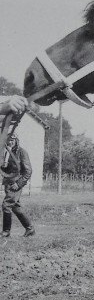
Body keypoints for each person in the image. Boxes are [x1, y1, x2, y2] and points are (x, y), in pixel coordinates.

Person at [0, 95, 35, 237]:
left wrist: (18, 184)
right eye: (9, 140)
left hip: (15, 184)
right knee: (16, 207)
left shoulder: (22, 153)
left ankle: (6, 232)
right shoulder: (5, 152)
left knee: (6, 205)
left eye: (13, 140)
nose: (10, 142)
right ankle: (30, 228)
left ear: (17, 140)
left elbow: (28, 171)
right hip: (8, 183)